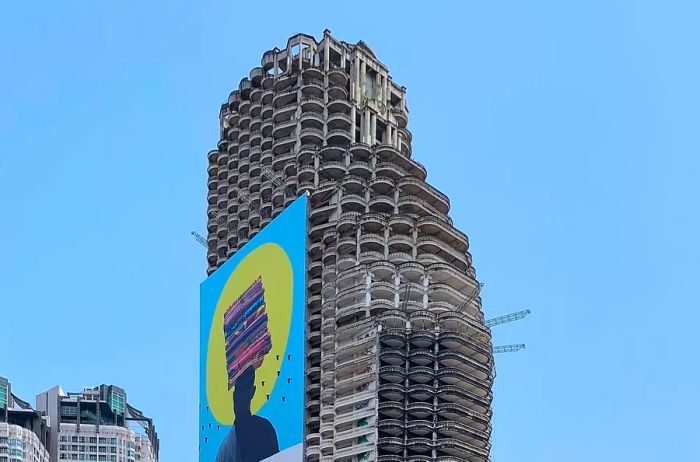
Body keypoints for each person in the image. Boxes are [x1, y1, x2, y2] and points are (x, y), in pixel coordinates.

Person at [216, 366, 279, 462]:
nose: (240, 398)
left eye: (243, 391)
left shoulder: (223, 449)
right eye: (239, 392)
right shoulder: (263, 427)